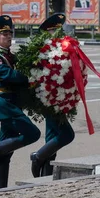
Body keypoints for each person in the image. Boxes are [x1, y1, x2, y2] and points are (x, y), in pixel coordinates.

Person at [0, 15, 40, 189]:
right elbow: (9, 75)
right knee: (33, 133)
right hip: (5, 104)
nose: (8, 37)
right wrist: (29, 78)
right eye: (4, 34)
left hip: (13, 103)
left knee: (6, 155)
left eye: (10, 33)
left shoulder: (12, 56)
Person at [29, 13, 76, 177]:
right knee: (67, 135)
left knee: (52, 137)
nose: (59, 34)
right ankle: (38, 157)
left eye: (59, 31)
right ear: (46, 32)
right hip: (48, 98)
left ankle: (46, 175)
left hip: (61, 98)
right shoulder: (42, 50)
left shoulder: (63, 50)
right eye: (54, 31)